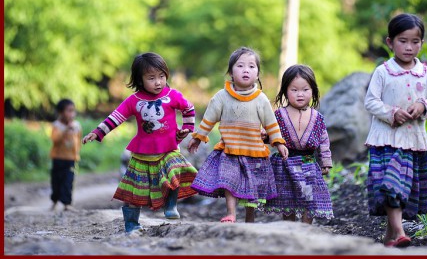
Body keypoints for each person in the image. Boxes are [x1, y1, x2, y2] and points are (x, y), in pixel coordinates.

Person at [82, 52, 198, 233]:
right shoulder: (134, 101)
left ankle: (170, 205)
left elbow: (188, 108)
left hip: (169, 149)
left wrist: (187, 129)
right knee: (134, 191)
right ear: (140, 79)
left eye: (161, 76)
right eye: (151, 78)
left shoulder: (172, 95)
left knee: (176, 171)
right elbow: (116, 117)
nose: (158, 82)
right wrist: (97, 132)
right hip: (142, 153)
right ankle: (131, 225)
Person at [364, 13, 427, 247]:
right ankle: (399, 233)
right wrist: (391, 113)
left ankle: (390, 237)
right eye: (403, 41)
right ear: (390, 42)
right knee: (391, 185)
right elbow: (371, 101)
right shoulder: (383, 72)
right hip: (385, 139)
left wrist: (423, 105)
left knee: (400, 188)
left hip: (412, 140)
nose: (409, 47)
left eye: (415, 41)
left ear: (421, 43)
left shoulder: (426, 73)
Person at [188, 47, 288, 223]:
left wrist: (278, 142)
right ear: (231, 73)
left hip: (254, 151)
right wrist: (198, 137)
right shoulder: (222, 97)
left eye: (251, 66)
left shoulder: (261, 99)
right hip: (230, 150)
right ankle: (231, 213)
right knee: (228, 181)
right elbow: (209, 118)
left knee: (252, 185)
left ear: (257, 74)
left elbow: (271, 123)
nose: (246, 70)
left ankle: (250, 216)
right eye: (240, 66)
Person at [261, 64, 334, 224]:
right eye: (294, 90)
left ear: (313, 90)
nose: (300, 94)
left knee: (310, 199)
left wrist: (325, 161)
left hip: (309, 164)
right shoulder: (279, 115)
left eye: (305, 90)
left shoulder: (317, 117)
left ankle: (306, 227)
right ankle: (289, 226)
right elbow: (272, 134)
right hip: (285, 164)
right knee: (287, 198)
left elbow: (323, 140)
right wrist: (264, 137)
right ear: (286, 91)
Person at [50, 98, 82, 212]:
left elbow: (78, 141)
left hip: (71, 159)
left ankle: (67, 204)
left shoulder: (77, 126)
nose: (71, 113)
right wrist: (65, 130)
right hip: (58, 158)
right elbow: (55, 139)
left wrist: (76, 153)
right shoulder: (57, 126)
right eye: (68, 110)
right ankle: (54, 201)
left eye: (73, 111)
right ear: (60, 113)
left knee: (68, 181)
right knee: (56, 181)